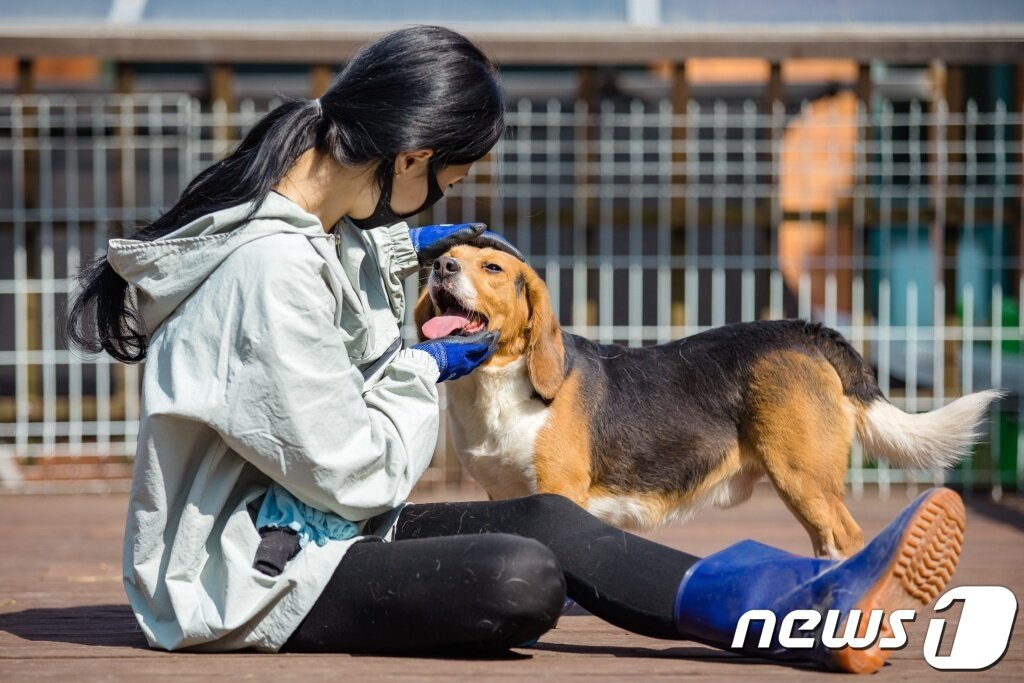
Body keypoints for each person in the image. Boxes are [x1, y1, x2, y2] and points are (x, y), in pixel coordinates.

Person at [66, 26, 964, 673]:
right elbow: (347, 467)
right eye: (442, 186)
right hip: (243, 583)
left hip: (313, 538)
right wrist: (428, 367)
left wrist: (401, 253)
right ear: (409, 156)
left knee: (550, 519)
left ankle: (802, 608)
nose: (429, 214)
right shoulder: (269, 271)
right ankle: (806, 605)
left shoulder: (309, 240)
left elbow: (334, 299)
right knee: (520, 570)